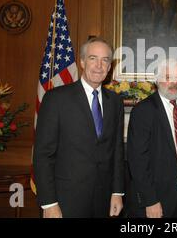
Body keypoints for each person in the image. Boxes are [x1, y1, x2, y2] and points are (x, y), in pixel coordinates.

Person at [33, 37, 125, 218]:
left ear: (109, 66)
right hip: (65, 201)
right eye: (93, 58)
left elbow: (117, 151)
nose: (99, 65)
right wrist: (49, 203)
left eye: (105, 60)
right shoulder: (56, 99)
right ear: (82, 62)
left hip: (104, 200)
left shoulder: (115, 101)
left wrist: (117, 193)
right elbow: (43, 154)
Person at [126, 59, 177, 218]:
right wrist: (150, 200)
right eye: (168, 77)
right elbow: (137, 161)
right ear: (157, 81)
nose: (174, 83)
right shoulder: (143, 111)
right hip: (157, 199)